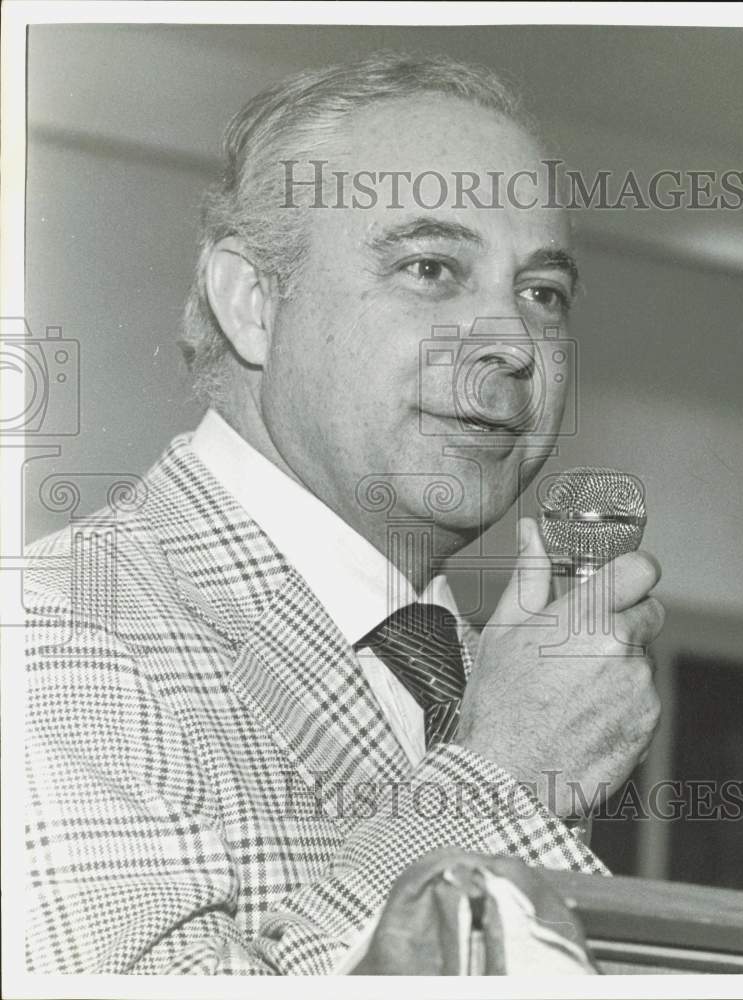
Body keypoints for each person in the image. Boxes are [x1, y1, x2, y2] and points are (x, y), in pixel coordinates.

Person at [25, 52, 664, 974]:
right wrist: (504, 780)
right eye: (432, 267)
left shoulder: (489, 675)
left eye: (542, 293)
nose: (513, 345)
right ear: (251, 303)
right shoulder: (57, 627)